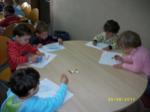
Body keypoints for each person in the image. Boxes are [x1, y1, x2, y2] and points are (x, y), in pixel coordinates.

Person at [0, 67, 69, 112]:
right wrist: (63, 85)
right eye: (38, 83)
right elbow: (55, 103)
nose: (39, 83)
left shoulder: (12, 91)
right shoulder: (33, 104)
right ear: (31, 91)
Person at [114, 31, 150, 95]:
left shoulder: (138, 55)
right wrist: (122, 59)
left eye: (123, 48)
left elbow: (136, 69)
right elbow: (131, 57)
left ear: (130, 47)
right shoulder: (138, 49)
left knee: (143, 89)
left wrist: (123, 65)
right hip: (143, 69)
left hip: (146, 75)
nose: (122, 50)